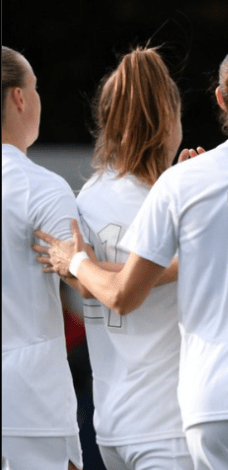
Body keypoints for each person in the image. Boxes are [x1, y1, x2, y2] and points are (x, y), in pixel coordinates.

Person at [37, 40, 228, 470]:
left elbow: (115, 288)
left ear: (222, 99)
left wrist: (75, 262)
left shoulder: (115, 194)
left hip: (193, 403)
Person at [36, 45, 193, 470]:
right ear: (169, 120)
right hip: (171, 422)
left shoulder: (88, 197)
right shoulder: (181, 199)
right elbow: (124, 288)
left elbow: (86, 284)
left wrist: (77, 262)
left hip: (111, 422)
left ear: (106, 122)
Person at [2, 45, 83, 470]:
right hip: (31, 409)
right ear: (19, 97)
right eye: (35, 88)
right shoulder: (42, 187)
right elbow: (89, 286)